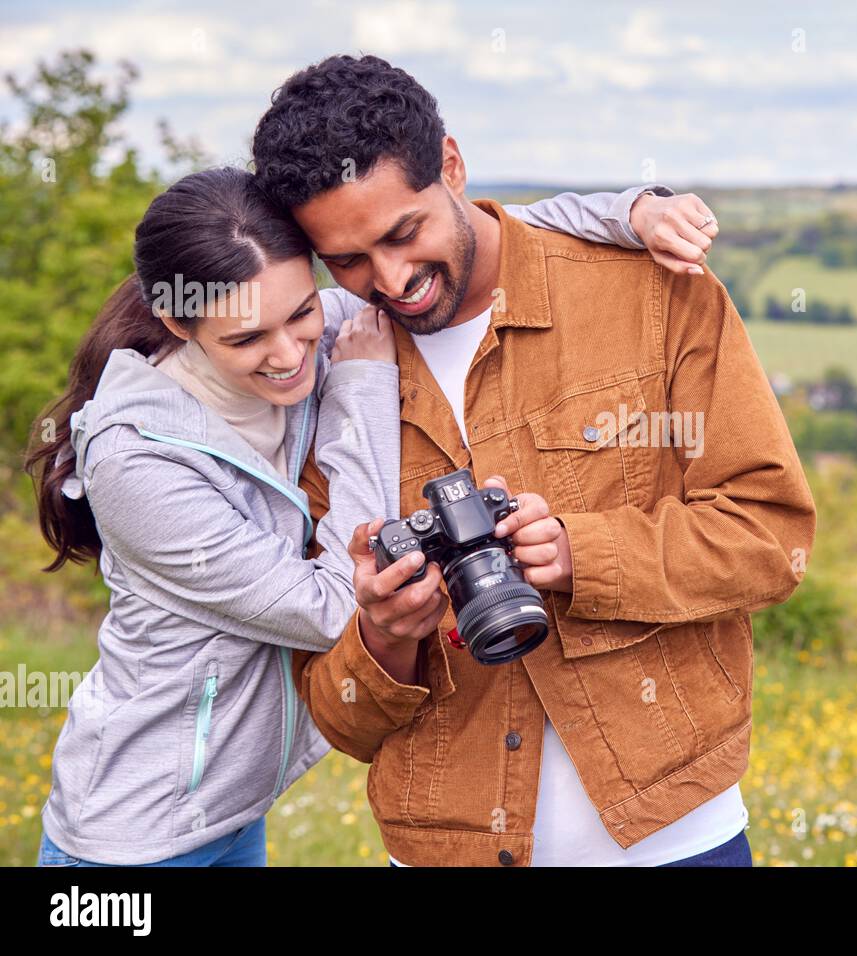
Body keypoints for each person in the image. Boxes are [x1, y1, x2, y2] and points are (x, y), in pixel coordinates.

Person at [26, 160, 715, 866]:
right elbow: (335, 604)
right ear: (176, 319)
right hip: (129, 835)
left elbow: (473, 245)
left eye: (303, 313)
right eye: (246, 340)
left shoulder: (317, 326)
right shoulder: (135, 462)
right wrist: (359, 389)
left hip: (230, 815)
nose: (291, 355)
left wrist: (630, 211)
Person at [251, 54, 817, 867]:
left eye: (404, 233)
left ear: (451, 164)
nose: (393, 280)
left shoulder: (654, 294)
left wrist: (583, 554)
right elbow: (340, 718)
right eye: (346, 262)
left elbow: (771, 539)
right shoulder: (323, 373)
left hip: (674, 844)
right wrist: (381, 636)